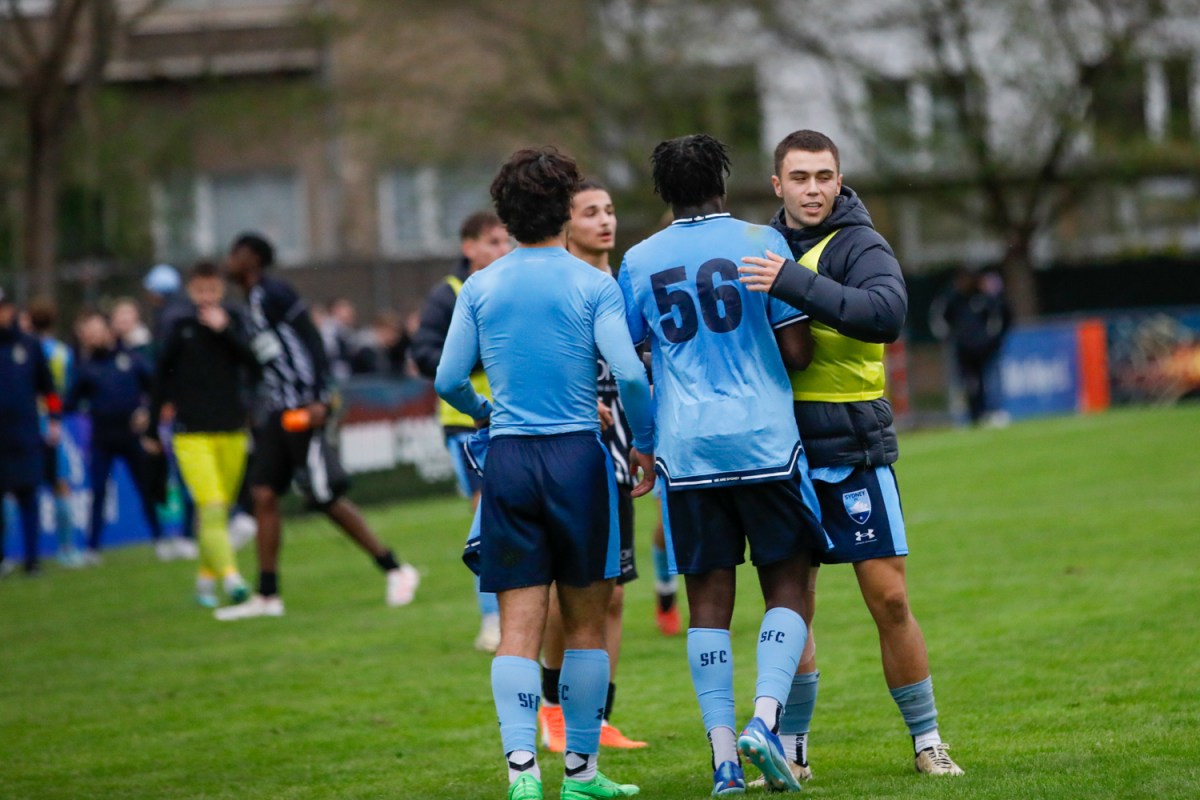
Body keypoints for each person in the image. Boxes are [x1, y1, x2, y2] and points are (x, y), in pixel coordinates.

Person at [738, 128, 965, 778]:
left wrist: (791, 283)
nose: (814, 189)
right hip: (779, 453)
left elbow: (886, 316)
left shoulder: (861, 242)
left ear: (839, 180)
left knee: (889, 600)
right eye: (801, 177)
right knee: (791, 606)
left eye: (825, 176)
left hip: (855, 448)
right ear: (776, 183)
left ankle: (927, 742)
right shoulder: (756, 247)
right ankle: (796, 755)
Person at [435, 146, 654, 800]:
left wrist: (486, 414)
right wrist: (641, 441)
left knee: (519, 628)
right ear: (563, 210)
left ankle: (522, 774)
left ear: (505, 213)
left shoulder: (480, 285)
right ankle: (581, 775)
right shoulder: (591, 285)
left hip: (509, 460)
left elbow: (448, 378)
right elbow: (634, 376)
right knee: (585, 625)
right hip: (578, 459)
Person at [618, 134, 827, 795]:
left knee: (707, 599)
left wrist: (647, 433)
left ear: (663, 193)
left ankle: (724, 763)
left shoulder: (639, 259)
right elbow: (797, 351)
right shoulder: (763, 244)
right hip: (765, 441)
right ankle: (764, 721)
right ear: (724, 183)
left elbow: (630, 358)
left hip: (687, 448)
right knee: (789, 584)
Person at [216, 232, 419, 620]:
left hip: (301, 408)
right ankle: (268, 595)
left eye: (236, 254)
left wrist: (322, 396)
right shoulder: (250, 302)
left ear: (253, 259)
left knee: (323, 497)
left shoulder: (274, 291)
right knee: (262, 495)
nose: (230, 260)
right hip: (277, 410)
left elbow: (309, 337)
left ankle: (396, 568)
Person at [536, 180, 647, 754]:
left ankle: (600, 716)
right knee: (571, 588)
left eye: (609, 210)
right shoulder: (563, 286)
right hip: (573, 455)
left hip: (623, 456)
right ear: (566, 222)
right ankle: (553, 707)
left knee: (615, 595)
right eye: (589, 213)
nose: (605, 221)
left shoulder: (624, 284)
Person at [412, 210, 511, 652]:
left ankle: (516, 613)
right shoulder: (448, 295)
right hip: (466, 425)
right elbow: (424, 354)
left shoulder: (511, 287)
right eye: (492, 242)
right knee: (487, 515)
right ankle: (492, 620)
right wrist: (482, 355)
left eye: (506, 241)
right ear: (467, 246)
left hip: (517, 421)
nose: (501, 250)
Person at [146, 261, 259, 608]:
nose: (207, 297)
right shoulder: (177, 326)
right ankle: (232, 578)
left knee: (220, 511)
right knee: (209, 508)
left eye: (213, 290)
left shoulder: (235, 320)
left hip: (232, 428)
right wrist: (152, 426)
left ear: (221, 290)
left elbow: (254, 363)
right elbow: (161, 378)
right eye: (200, 290)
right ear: (191, 290)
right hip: (191, 432)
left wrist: (225, 331)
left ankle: (204, 583)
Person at [65, 310, 166, 564]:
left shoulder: (130, 358)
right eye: (88, 333)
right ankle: (92, 548)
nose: (94, 336)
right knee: (98, 491)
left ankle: (160, 539)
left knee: (145, 488)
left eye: (97, 330)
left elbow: (155, 387)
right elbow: (70, 401)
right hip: (102, 437)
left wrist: (146, 411)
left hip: (132, 434)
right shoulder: (85, 367)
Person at [0, 289, 63, 577]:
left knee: (30, 496)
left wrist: (54, 419)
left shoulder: (30, 345)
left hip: (25, 433)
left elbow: (48, 387)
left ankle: (32, 559)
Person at [28, 299, 83, 567]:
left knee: (22, 490)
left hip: (27, 421)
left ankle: (24, 552)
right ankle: (67, 548)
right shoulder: (63, 353)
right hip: (54, 422)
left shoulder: (24, 349)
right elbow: (70, 388)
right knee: (61, 484)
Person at [929, 267, 1012, 425]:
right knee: (966, 383)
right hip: (962, 350)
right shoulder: (951, 298)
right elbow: (939, 320)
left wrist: (990, 340)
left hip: (985, 350)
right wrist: (951, 338)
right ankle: (968, 415)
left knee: (989, 380)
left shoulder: (983, 298)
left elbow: (997, 318)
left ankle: (992, 411)